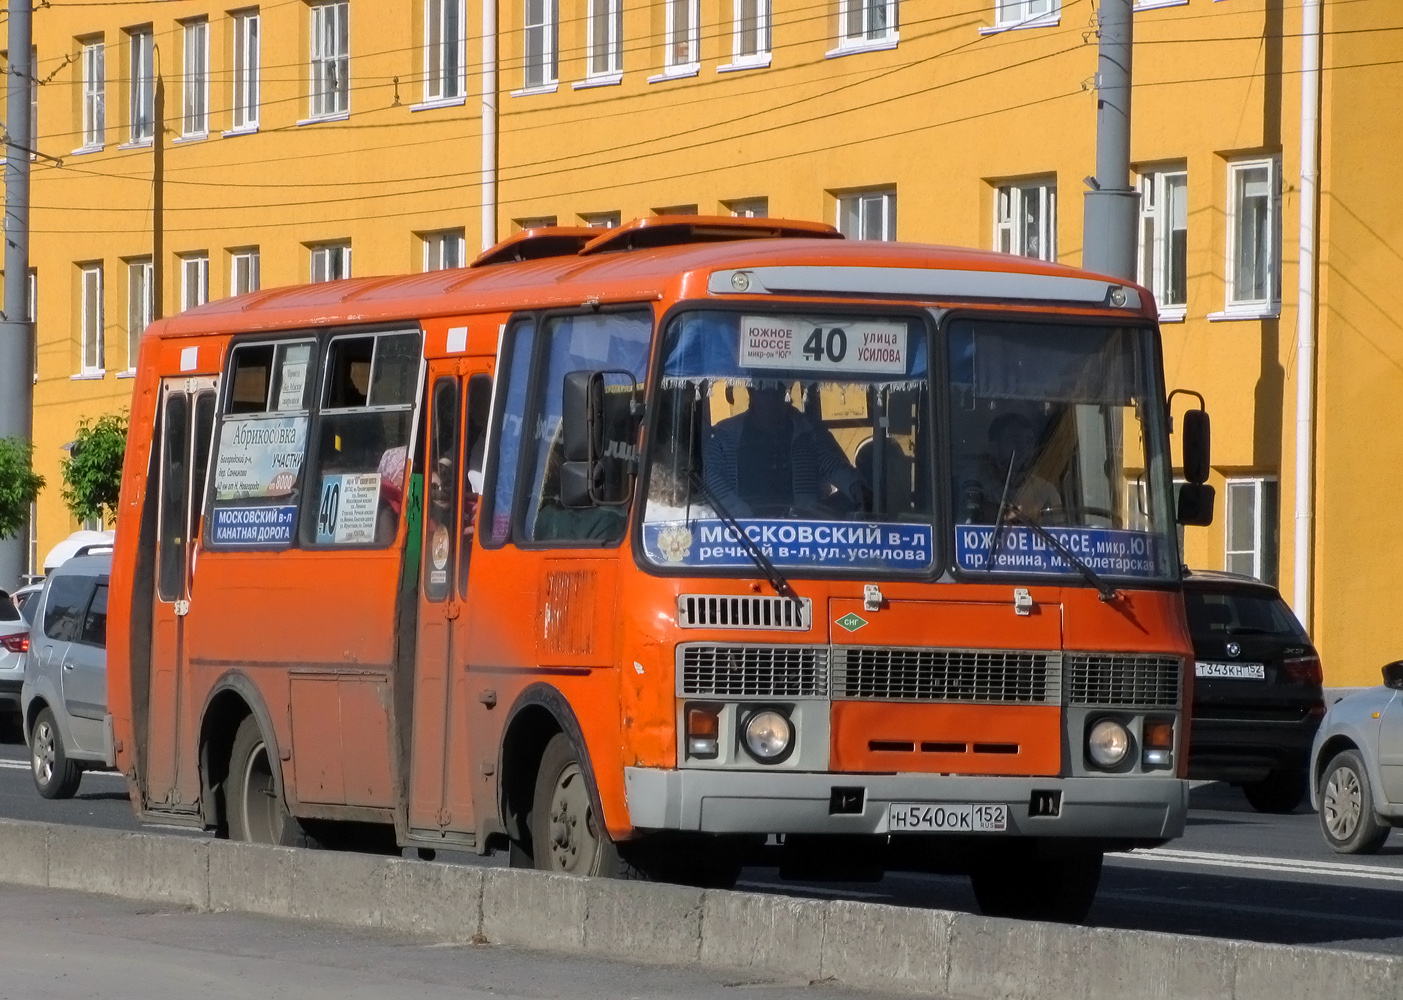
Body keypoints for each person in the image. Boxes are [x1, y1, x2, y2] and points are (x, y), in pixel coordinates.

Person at [703, 383, 868, 518]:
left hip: (800, 529)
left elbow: (831, 464)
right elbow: (711, 477)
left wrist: (856, 487)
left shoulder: (806, 431)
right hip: (742, 530)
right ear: (752, 394)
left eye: (779, 391)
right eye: (766, 392)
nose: (773, 400)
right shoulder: (725, 436)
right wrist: (739, 514)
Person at [961, 412, 1061, 523]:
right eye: (1015, 441)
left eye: (1029, 442)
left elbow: (1059, 534)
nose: (1024, 449)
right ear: (994, 447)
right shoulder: (976, 484)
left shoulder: (1047, 492)